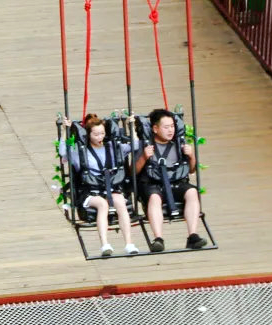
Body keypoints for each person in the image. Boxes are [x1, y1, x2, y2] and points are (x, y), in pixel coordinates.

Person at [65, 114, 139, 258]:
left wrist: (131, 126)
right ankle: (105, 244)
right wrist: (65, 132)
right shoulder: (82, 151)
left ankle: (129, 243)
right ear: (88, 135)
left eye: (102, 133)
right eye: (96, 134)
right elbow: (64, 152)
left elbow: (135, 145)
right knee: (102, 204)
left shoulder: (112, 147)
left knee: (120, 202)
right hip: (91, 191)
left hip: (110, 189)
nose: (100, 137)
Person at [134, 109, 206, 252]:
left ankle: (193, 235)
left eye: (172, 126)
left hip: (176, 183)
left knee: (192, 192)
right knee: (154, 198)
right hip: (154, 185)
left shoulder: (178, 145)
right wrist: (144, 157)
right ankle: (158, 238)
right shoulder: (146, 145)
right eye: (166, 127)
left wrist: (191, 156)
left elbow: (191, 170)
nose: (170, 130)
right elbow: (133, 172)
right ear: (155, 129)